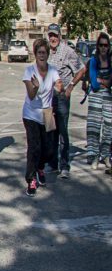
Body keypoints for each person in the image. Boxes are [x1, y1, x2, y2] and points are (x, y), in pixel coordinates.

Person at [45, 24, 87, 178]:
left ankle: (64, 165)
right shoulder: (46, 51)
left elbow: (81, 69)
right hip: (48, 97)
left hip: (61, 96)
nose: (53, 38)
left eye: (55, 35)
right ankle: (52, 163)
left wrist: (70, 87)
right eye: (50, 35)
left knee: (62, 131)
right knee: (50, 130)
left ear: (60, 36)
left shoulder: (67, 51)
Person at [22, 39, 61, 196]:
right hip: (31, 113)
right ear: (35, 54)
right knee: (34, 147)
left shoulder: (52, 70)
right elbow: (31, 96)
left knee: (49, 149)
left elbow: (58, 83)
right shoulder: (29, 71)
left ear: (48, 54)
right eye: (39, 53)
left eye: (44, 52)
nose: (42, 55)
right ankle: (31, 179)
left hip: (47, 113)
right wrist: (35, 87)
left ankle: (40, 167)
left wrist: (59, 87)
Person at [85, 32, 112, 169]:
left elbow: (110, 82)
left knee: (109, 125)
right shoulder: (94, 61)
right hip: (95, 95)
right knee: (94, 126)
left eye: (105, 45)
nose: (103, 48)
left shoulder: (111, 60)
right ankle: (94, 156)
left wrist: (101, 81)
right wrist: (103, 81)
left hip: (108, 95)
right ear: (97, 46)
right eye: (101, 45)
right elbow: (94, 84)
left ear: (109, 47)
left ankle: (105, 155)